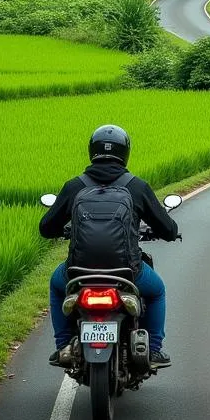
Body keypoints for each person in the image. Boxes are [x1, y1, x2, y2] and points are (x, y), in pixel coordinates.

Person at [40, 124, 179, 369]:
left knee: (56, 284)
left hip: (78, 272)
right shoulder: (136, 186)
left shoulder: (75, 186)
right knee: (156, 291)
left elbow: (46, 228)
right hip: (127, 272)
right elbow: (167, 228)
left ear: (92, 151)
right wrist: (169, 234)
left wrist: (63, 230)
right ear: (125, 152)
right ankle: (154, 349)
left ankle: (63, 345)